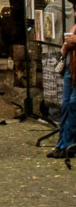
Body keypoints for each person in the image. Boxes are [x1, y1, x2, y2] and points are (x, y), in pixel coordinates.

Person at [48, 24, 76, 159]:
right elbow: (64, 50)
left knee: (73, 104)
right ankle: (60, 145)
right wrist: (66, 45)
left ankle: (68, 144)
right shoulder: (74, 27)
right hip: (70, 67)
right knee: (65, 105)